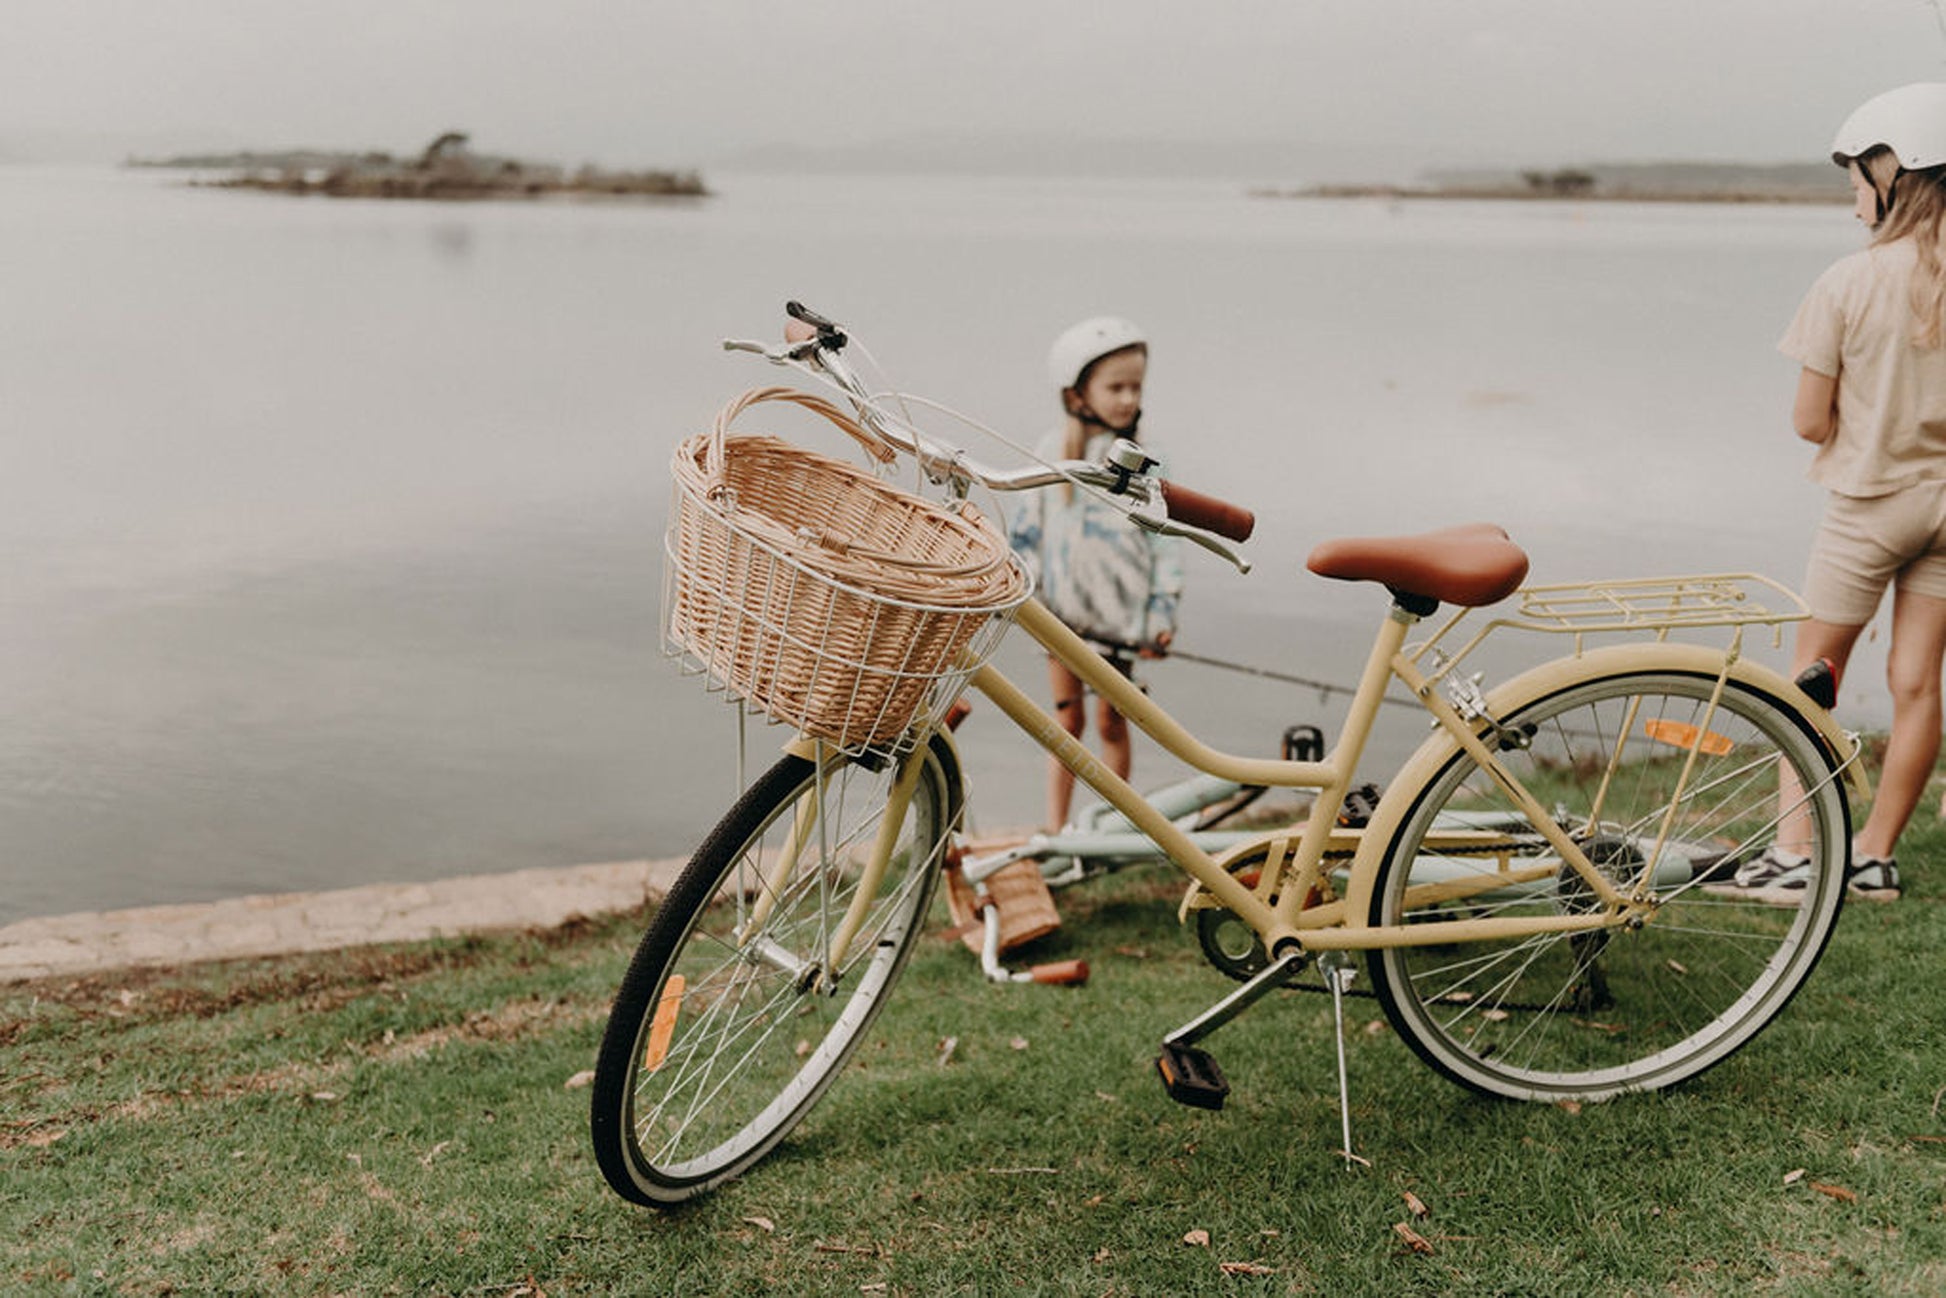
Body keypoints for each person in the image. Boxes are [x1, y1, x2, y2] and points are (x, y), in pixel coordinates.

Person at [1726, 82, 1946, 904]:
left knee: (1810, 677)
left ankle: (1793, 857)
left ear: (1897, 172)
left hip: (1869, 506)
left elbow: (1808, 423)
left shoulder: (1847, 283)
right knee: (1919, 683)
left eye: (1858, 177)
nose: (1854, 195)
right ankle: (1875, 859)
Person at [1007, 316, 1184, 831]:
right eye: (1116, 387)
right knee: (1066, 722)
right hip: (1060, 621)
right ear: (1077, 392)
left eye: (1136, 387)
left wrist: (1161, 614)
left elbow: (1165, 547)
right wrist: (1026, 596)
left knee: (1112, 719)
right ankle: (1056, 825)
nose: (1128, 398)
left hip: (1120, 625)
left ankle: (1117, 822)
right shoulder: (1049, 454)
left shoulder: (1150, 465)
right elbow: (1026, 534)